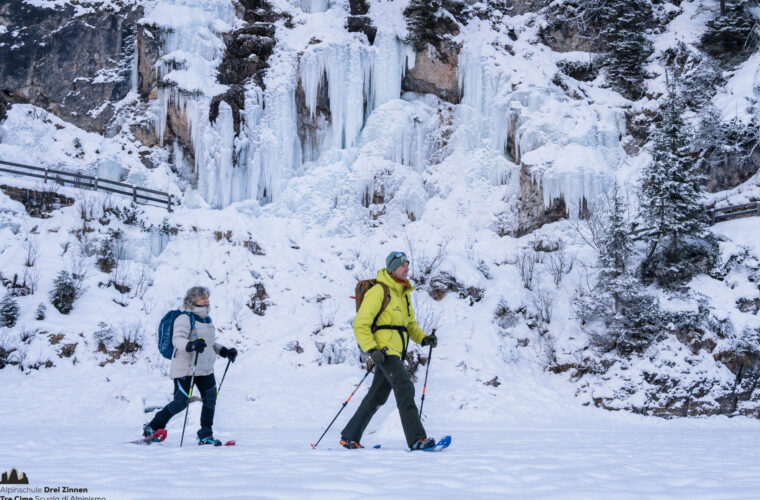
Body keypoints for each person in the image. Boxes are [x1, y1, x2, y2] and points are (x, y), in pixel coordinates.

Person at [340, 251, 439, 450]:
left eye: (407, 265)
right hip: (384, 351)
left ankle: (349, 436)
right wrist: (371, 349)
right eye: (403, 265)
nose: (407, 268)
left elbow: (410, 325)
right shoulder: (379, 291)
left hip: (396, 351)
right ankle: (417, 439)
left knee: (377, 395)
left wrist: (424, 339)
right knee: (405, 387)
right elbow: (360, 324)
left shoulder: (403, 294)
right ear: (393, 267)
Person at [143, 286, 238, 445]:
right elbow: (177, 339)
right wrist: (191, 345)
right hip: (185, 369)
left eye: (207, 297)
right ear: (193, 300)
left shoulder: (207, 319)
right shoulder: (185, 318)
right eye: (203, 297)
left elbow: (209, 343)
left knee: (210, 400)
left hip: (205, 369)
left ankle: (205, 435)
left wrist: (224, 351)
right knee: (180, 403)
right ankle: (152, 426)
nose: (206, 300)